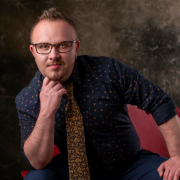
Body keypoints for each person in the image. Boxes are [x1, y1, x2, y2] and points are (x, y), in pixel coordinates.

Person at [15, 7, 180, 180]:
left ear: (76, 47)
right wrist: (46, 112)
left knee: (173, 175)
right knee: (37, 178)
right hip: (71, 171)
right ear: (33, 52)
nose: (53, 55)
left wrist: (177, 157)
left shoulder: (108, 71)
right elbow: (37, 162)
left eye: (63, 45)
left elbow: (159, 100)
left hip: (130, 165)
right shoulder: (27, 98)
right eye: (44, 46)